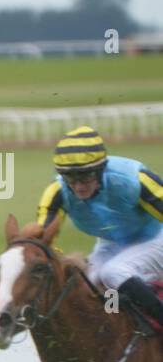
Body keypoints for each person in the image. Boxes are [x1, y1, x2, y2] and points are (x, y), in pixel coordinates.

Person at [36, 126, 163, 324]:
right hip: (111, 242)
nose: (78, 186)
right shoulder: (57, 192)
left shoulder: (133, 180)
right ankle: (117, 320)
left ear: (100, 170)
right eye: (71, 178)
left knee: (113, 272)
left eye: (85, 177)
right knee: (89, 282)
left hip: (156, 237)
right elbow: (42, 243)